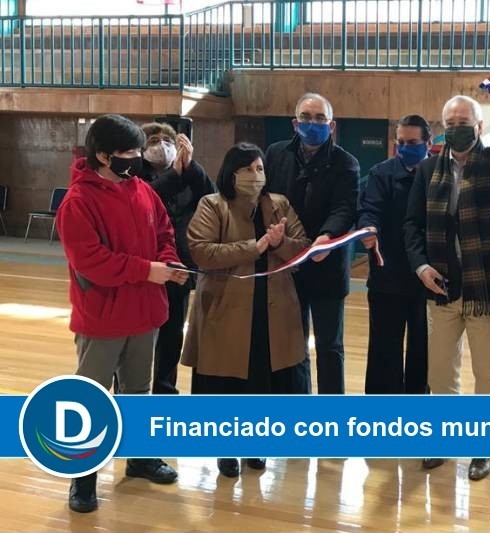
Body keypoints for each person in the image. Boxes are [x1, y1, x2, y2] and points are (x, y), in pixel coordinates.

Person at [56, 114, 187, 513]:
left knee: (138, 392)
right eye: (127, 154)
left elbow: (164, 232)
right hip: (103, 317)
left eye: (136, 153)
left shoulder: (142, 190)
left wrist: (168, 259)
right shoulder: (78, 202)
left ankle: (139, 458)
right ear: (102, 156)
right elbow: (91, 261)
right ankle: (84, 479)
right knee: (93, 399)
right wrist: (148, 270)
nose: (135, 160)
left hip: (143, 313)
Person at [404, 79, 490, 481]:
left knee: (485, 374)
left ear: (477, 126)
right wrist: (421, 266)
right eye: (450, 121)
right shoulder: (426, 169)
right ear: (442, 127)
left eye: (464, 120)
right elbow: (412, 225)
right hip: (441, 287)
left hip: (484, 285)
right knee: (440, 373)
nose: (456, 126)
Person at [182, 143, 311, 477]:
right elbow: (202, 252)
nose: (256, 176)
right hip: (226, 310)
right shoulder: (212, 204)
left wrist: (281, 243)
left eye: (260, 169)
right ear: (232, 173)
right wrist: (256, 247)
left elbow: (303, 249)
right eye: (248, 169)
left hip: (273, 310)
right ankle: (226, 449)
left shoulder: (279, 204)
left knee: (262, 380)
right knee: (226, 384)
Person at [265, 93, 360, 395]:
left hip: (327, 266)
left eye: (320, 118)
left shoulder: (347, 163)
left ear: (331, 126)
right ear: (295, 123)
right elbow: (266, 200)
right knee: (293, 346)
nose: (313, 123)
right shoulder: (275, 154)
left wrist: (326, 238)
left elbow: (345, 209)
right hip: (286, 267)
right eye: (306, 117)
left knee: (330, 347)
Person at [357, 115, 432, 394]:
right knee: (383, 351)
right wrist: (367, 228)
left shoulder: (440, 173)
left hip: (427, 278)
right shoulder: (381, 173)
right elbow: (369, 210)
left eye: (412, 143)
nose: (405, 148)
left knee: (422, 351)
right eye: (400, 142)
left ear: (428, 142)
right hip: (386, 276)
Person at [139, 121, 215, 394]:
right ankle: (130, 387)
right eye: (155, 140)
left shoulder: (188, 174)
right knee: (140, 334)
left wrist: (191, 166)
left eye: (168, 140)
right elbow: (148, 199)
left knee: (172, 333)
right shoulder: (135, 174)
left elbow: (211, 196)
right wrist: (175, 173)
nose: (162, 145)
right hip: (147, 265)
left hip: (180, 264)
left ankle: (164, 387)